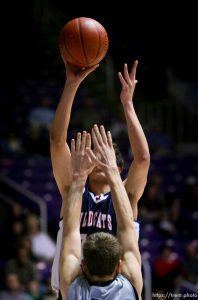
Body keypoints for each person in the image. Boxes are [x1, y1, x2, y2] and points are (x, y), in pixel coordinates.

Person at [50, 60, 150, 297]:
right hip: (73, 285)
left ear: (118, 167)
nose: (100, 159)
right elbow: (56, 142)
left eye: (107, 155)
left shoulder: (126, 197)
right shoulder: (72, 189)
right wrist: (71, 84)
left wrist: (128, 104)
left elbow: (143, 159)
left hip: (116, 286)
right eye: (95, 153)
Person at [60, 126, 142, 299]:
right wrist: (111, 170)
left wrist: (78, 177)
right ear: (119, 266)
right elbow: (127, 228)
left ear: (82, 266)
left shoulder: (71, 287)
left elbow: (70, 232)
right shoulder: (130, 284)